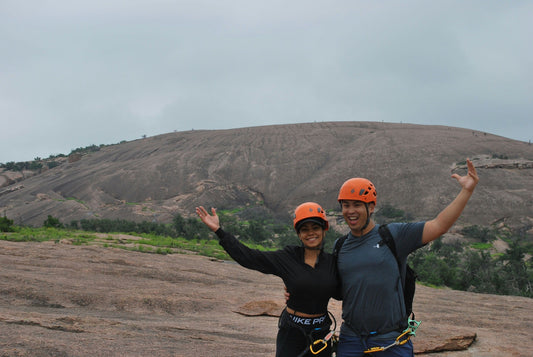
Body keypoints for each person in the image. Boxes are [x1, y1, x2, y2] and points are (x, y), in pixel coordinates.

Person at [334, 158, 479, 356]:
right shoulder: (340, 246)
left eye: (357, 205)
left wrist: (466, 191)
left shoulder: (394, 235)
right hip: (351, 340)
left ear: (371, 207)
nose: (350, 211)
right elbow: (325, 281)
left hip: (391, 340)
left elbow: (439, 225)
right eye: (346, 205)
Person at [196, 202, 341, 357]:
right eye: (304, 229)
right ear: (298, 234)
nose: (310, 233)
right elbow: (249, 257)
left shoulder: (333, 262)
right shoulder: (287, 258)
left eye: (315, 228)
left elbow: (343, 292)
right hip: (292, 332)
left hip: (320, 333)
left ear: (324, 230)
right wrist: (219, 231)